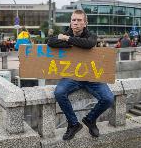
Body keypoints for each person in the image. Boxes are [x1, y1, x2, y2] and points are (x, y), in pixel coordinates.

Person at [47, 10, 114, 140]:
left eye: (79, 20)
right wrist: (71, 40)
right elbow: (51, 42)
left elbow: (89, 44)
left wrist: (67, 40)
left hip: (91, 76)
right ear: (70, 22)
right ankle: (73, 124)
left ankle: (90, 119)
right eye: (73, 20)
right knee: (59, 92)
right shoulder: (67, 32)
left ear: (85, 23)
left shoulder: (90, 35)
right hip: (72, 76)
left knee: (108, 98)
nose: (76, 23)